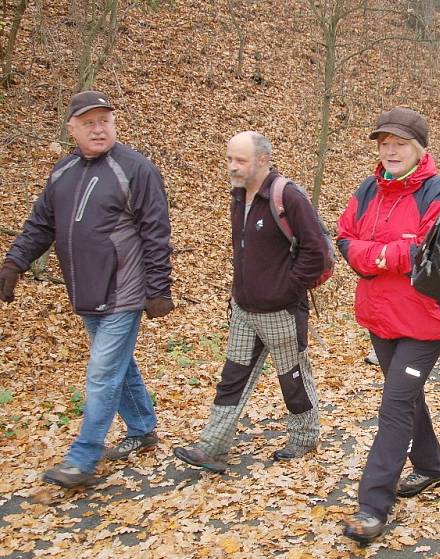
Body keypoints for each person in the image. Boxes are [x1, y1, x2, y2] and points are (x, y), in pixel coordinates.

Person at [0, 90, 174, 488]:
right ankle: (143, 428)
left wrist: (158, 287)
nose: (98, 129)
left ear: (114, 124)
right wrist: (15, 263)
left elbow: (156, 232)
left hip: (123, 291)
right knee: (116, 365)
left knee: (102, 374)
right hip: (85, 291)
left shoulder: (136, 168)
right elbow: (40, 224)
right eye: (89, 123)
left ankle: (83, 458)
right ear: (72, 129)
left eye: (105, 121)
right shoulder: (63, 172)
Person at [173, 131, 326, 472]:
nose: (232, 166)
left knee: (293, 377)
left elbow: (317, 252)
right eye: (229, 159)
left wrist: (286, 288)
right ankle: (212, 447)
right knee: (233, 377)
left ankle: (304, 437)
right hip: (244, 309)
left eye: (240, 160)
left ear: (262, 160)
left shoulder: (287, 196)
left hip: (281, 312)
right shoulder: (239, 196)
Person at [337, 107, 440, 544]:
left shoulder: (438, 191)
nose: (390, 150)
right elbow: (345, 239)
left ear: (419, 148)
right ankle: (430, 468)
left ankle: (373, 507)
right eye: (384, 142)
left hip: (424, 320)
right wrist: (386, 255)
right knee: (405, 397)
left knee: (394, 405)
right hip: (379, 314)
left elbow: (426, 251)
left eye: (400, 143)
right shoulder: (368, 188)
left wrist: (376, 256)